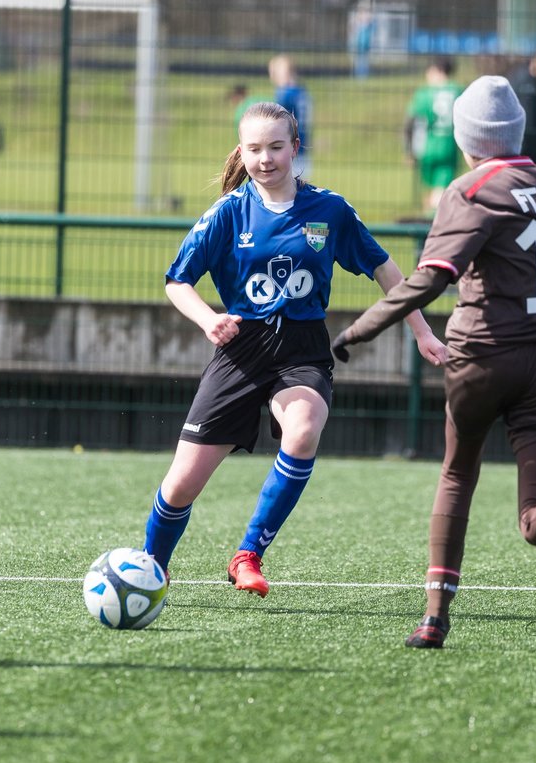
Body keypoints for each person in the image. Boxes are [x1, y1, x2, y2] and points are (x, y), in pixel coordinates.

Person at [331, 76, 536, 649]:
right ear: (519, 132)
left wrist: (355, 332)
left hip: (484, 356)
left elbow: (433, 278)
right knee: (535, 520)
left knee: (458, 473)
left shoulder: (471, 189)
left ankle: (434, 617)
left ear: (467, 138)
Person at [141, 101, 447, 597]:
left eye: (277, 147)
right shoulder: (227, 213)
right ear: (242, 152)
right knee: (180, 486)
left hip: (303, 349)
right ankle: (152, 565)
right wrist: (209, 319)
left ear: (295, 148)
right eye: (256, 149)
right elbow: (177, 281)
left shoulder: (329, 210)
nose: (266, 159)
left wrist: (423, 331)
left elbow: (386, 271)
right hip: (240, 350)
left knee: (303, 431)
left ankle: (247, 555)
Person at [404, 57, 464, 212]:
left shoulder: (423, 93)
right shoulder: (458, 91)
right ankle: (432, 224)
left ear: (436, 70)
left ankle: (427, 225)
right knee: (440, 192)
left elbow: (410, 122)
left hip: (426, 147)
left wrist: (409, 150)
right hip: (448, 146)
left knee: (430, 191)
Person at [268, 55, 312, 178]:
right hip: (303, 147)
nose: (272, 77)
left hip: (287, 150)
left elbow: (276, 120)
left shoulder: (284, 93)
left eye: (273, 72)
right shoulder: (302, 91)